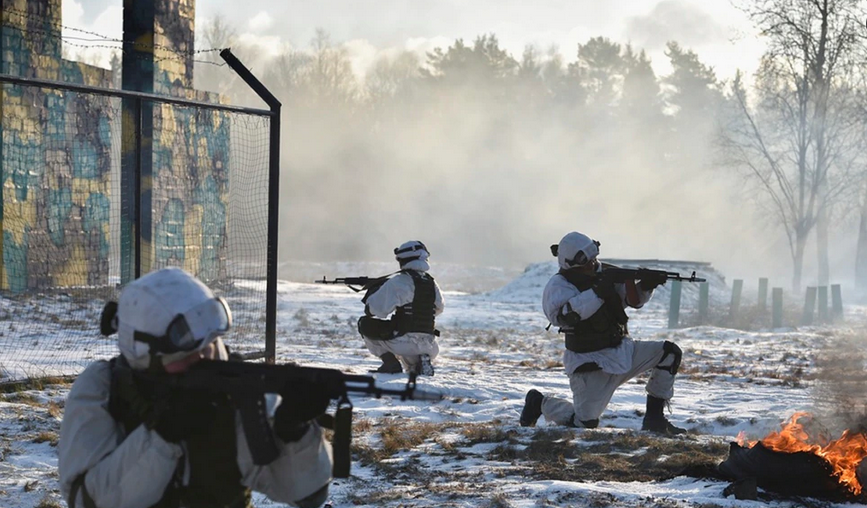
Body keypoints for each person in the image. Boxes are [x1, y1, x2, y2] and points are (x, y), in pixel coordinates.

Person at [58, 267, 333, 508]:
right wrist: (162, 438)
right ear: (147, 359)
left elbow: (307, 495)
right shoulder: (103, 388)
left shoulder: (235, 388)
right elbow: (87, 501)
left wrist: (295, 432)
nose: (204, 360)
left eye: (209, 346)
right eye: (185, 357)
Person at [520, 231, 686, 435]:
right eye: (586, 262)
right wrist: (598, 292)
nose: (592, 264)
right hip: (590, 364)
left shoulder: (604, 273)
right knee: (584, 426)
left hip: (622, 351)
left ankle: (655, 420)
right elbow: (564, 316)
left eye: (593, 258)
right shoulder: (559, 286)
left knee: (669, 353)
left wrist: (645, 286)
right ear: (571, 263)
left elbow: (631, 301)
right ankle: (540, 403)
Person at [357, 240, 444, 376]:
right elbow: (438, 309)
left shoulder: (398, 281)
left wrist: (375, 291)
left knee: (365, 324)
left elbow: (375, 310)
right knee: (410, 347)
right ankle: (420, 362)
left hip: (402, 341)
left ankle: (390, 363)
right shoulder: (431, 283)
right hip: (430, 344)